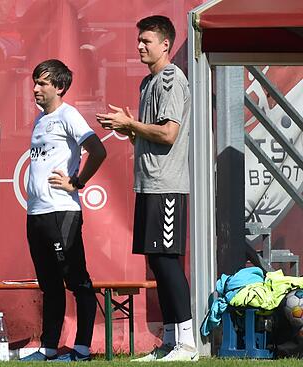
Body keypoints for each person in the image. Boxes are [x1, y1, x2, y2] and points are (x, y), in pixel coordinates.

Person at [96, 15, 197, 362]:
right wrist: (126, 127)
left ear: (165, 45)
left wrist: (131, 124)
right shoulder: (147, 83)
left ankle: (188, 344)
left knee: (168, 262)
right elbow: (148, 131)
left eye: (147, 41)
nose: (140, 46)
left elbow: (169, 133)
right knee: (157, 261)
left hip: (167, 184)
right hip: (149, 184)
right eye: (138, 40)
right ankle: (169, 342)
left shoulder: (171, 78)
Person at [18, 59, 106, 362]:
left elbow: (98, 150)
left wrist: (77, 181)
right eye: (35, 82)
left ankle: (82, 349)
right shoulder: (40, 119)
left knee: (77, 280)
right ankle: (49, 348)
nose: (35, 88)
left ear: (60, 87)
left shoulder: (69, 115)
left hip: (62, 212)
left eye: (42, 83)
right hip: (37, 213)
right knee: (50, 285)